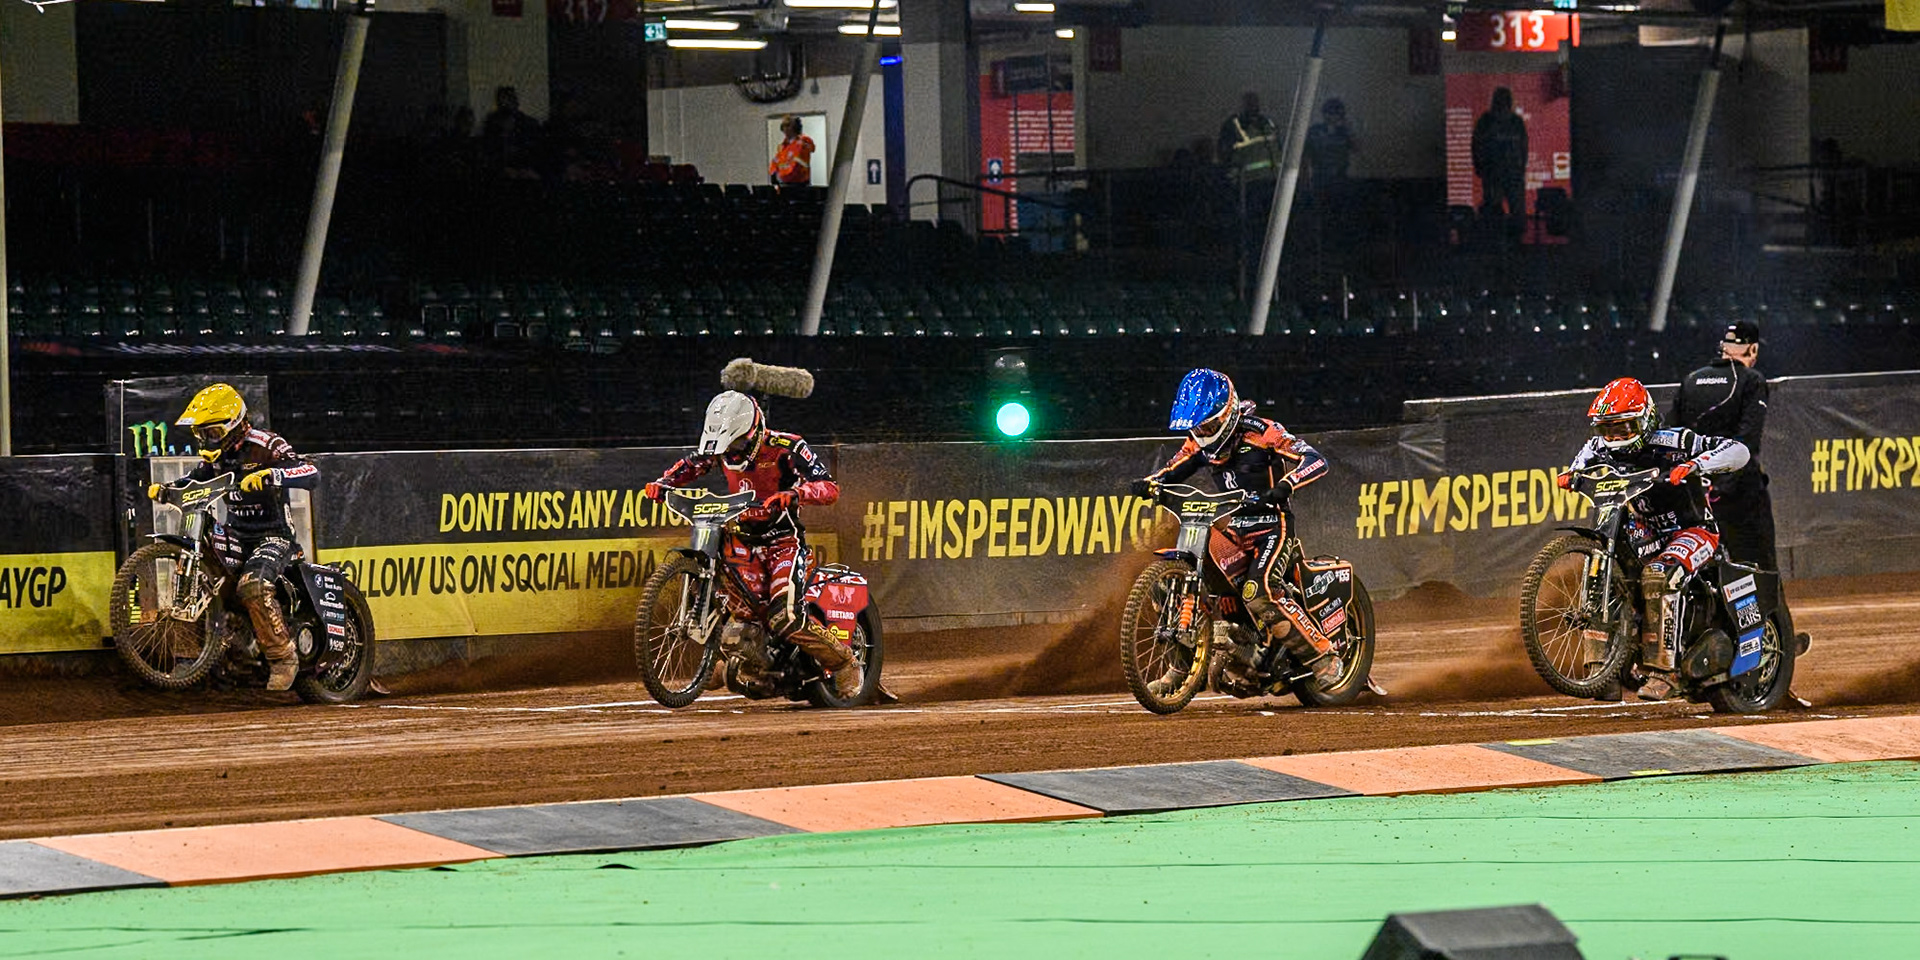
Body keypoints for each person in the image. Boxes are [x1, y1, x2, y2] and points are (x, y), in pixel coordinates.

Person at [1129, 369, 1340, 691]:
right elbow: (1172, 469)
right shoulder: (1199, 443)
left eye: (1208, 426)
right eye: (1197, 428)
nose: (1203, 433)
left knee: (1259, 592)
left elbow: (1315, 459)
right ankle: (1182, 668)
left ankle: (1324, 658)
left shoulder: (1262, 431)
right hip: (1235, 528)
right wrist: (1150, 484)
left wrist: (1285, 485)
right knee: (1172, 583)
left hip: (1272, 527)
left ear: (1227, 414)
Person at [643, 391, 861, 699]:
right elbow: (692, 464)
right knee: (734, 601)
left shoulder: (787, 446)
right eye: (725, 446)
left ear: (754, 431)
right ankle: (727, 660)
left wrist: (796, 494)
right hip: (741, 538)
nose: (731, 453)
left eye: (736, 444)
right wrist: (663, 483)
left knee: (784, 616)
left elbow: (829, 487)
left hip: (783, 542)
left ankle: (844, 662)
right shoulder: (719, 450)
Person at [1561, 378, 1749, 702]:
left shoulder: (1676, 440)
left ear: (1645, 419)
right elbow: (1582, 459)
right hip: (1642, 531)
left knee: (1659, 575)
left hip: (1692, 531)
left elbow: (1738, 450)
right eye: (1607, 429)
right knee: (1600, 571)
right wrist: (1572, 474)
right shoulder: (1598, 446)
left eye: (1623, 428)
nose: (1615, 438)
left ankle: (1665, 672)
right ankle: (1601, 671)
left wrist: (1695, 464)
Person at [149, 384, 319, 691]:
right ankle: (204, 655)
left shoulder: (266, 444)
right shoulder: (217, 458)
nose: (207, 440)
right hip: (237, 535)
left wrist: (271, 474)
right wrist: (167, 489)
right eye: (201, 434)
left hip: (274, 536)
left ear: (235, 423)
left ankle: (283, 658)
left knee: (252, 584)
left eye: (212, 432)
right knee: (209, 582)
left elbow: (310, 472)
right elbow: (194, 480)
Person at [1671, 321, 1776, 570]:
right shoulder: (1752, 380)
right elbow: (1747, 442)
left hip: (1694, 492)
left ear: (1723, 346)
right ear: (1753, 349)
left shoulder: (1691, 380)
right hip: (1738, 492)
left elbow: (1672, 434)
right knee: (1758, 564)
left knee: (1702, 566)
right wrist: (1721, 487)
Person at [1471, 87, 1528, 244]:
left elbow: (1476, 146)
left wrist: (1479, 167)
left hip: (1498, 173)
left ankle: (1499, 243)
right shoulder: (1515, 122)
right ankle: (1513, 244)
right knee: (1506, 211)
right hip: (1503, 173)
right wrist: (1521, 168)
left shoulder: (1487, 121)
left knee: (1500, 211)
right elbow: (1523, 149)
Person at [481, 86, 540, 179]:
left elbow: (532, 148)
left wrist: (526, 168)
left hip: (523, 167)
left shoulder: (527, 123)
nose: (506, 103)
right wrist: (502, 168)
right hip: (502, 169)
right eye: (504, 100)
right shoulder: (493, 124)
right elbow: (490, 151)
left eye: (509, 99)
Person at [769, 116, 815, 187]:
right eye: (783, 126)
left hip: (799, 185)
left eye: (788, 125)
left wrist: (781, 177)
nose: (785, 129)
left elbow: (796, 167)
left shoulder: (801, 145)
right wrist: (774, 174)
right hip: (785, 184)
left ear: (795, 128)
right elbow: (774, 163)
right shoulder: (783, 146)